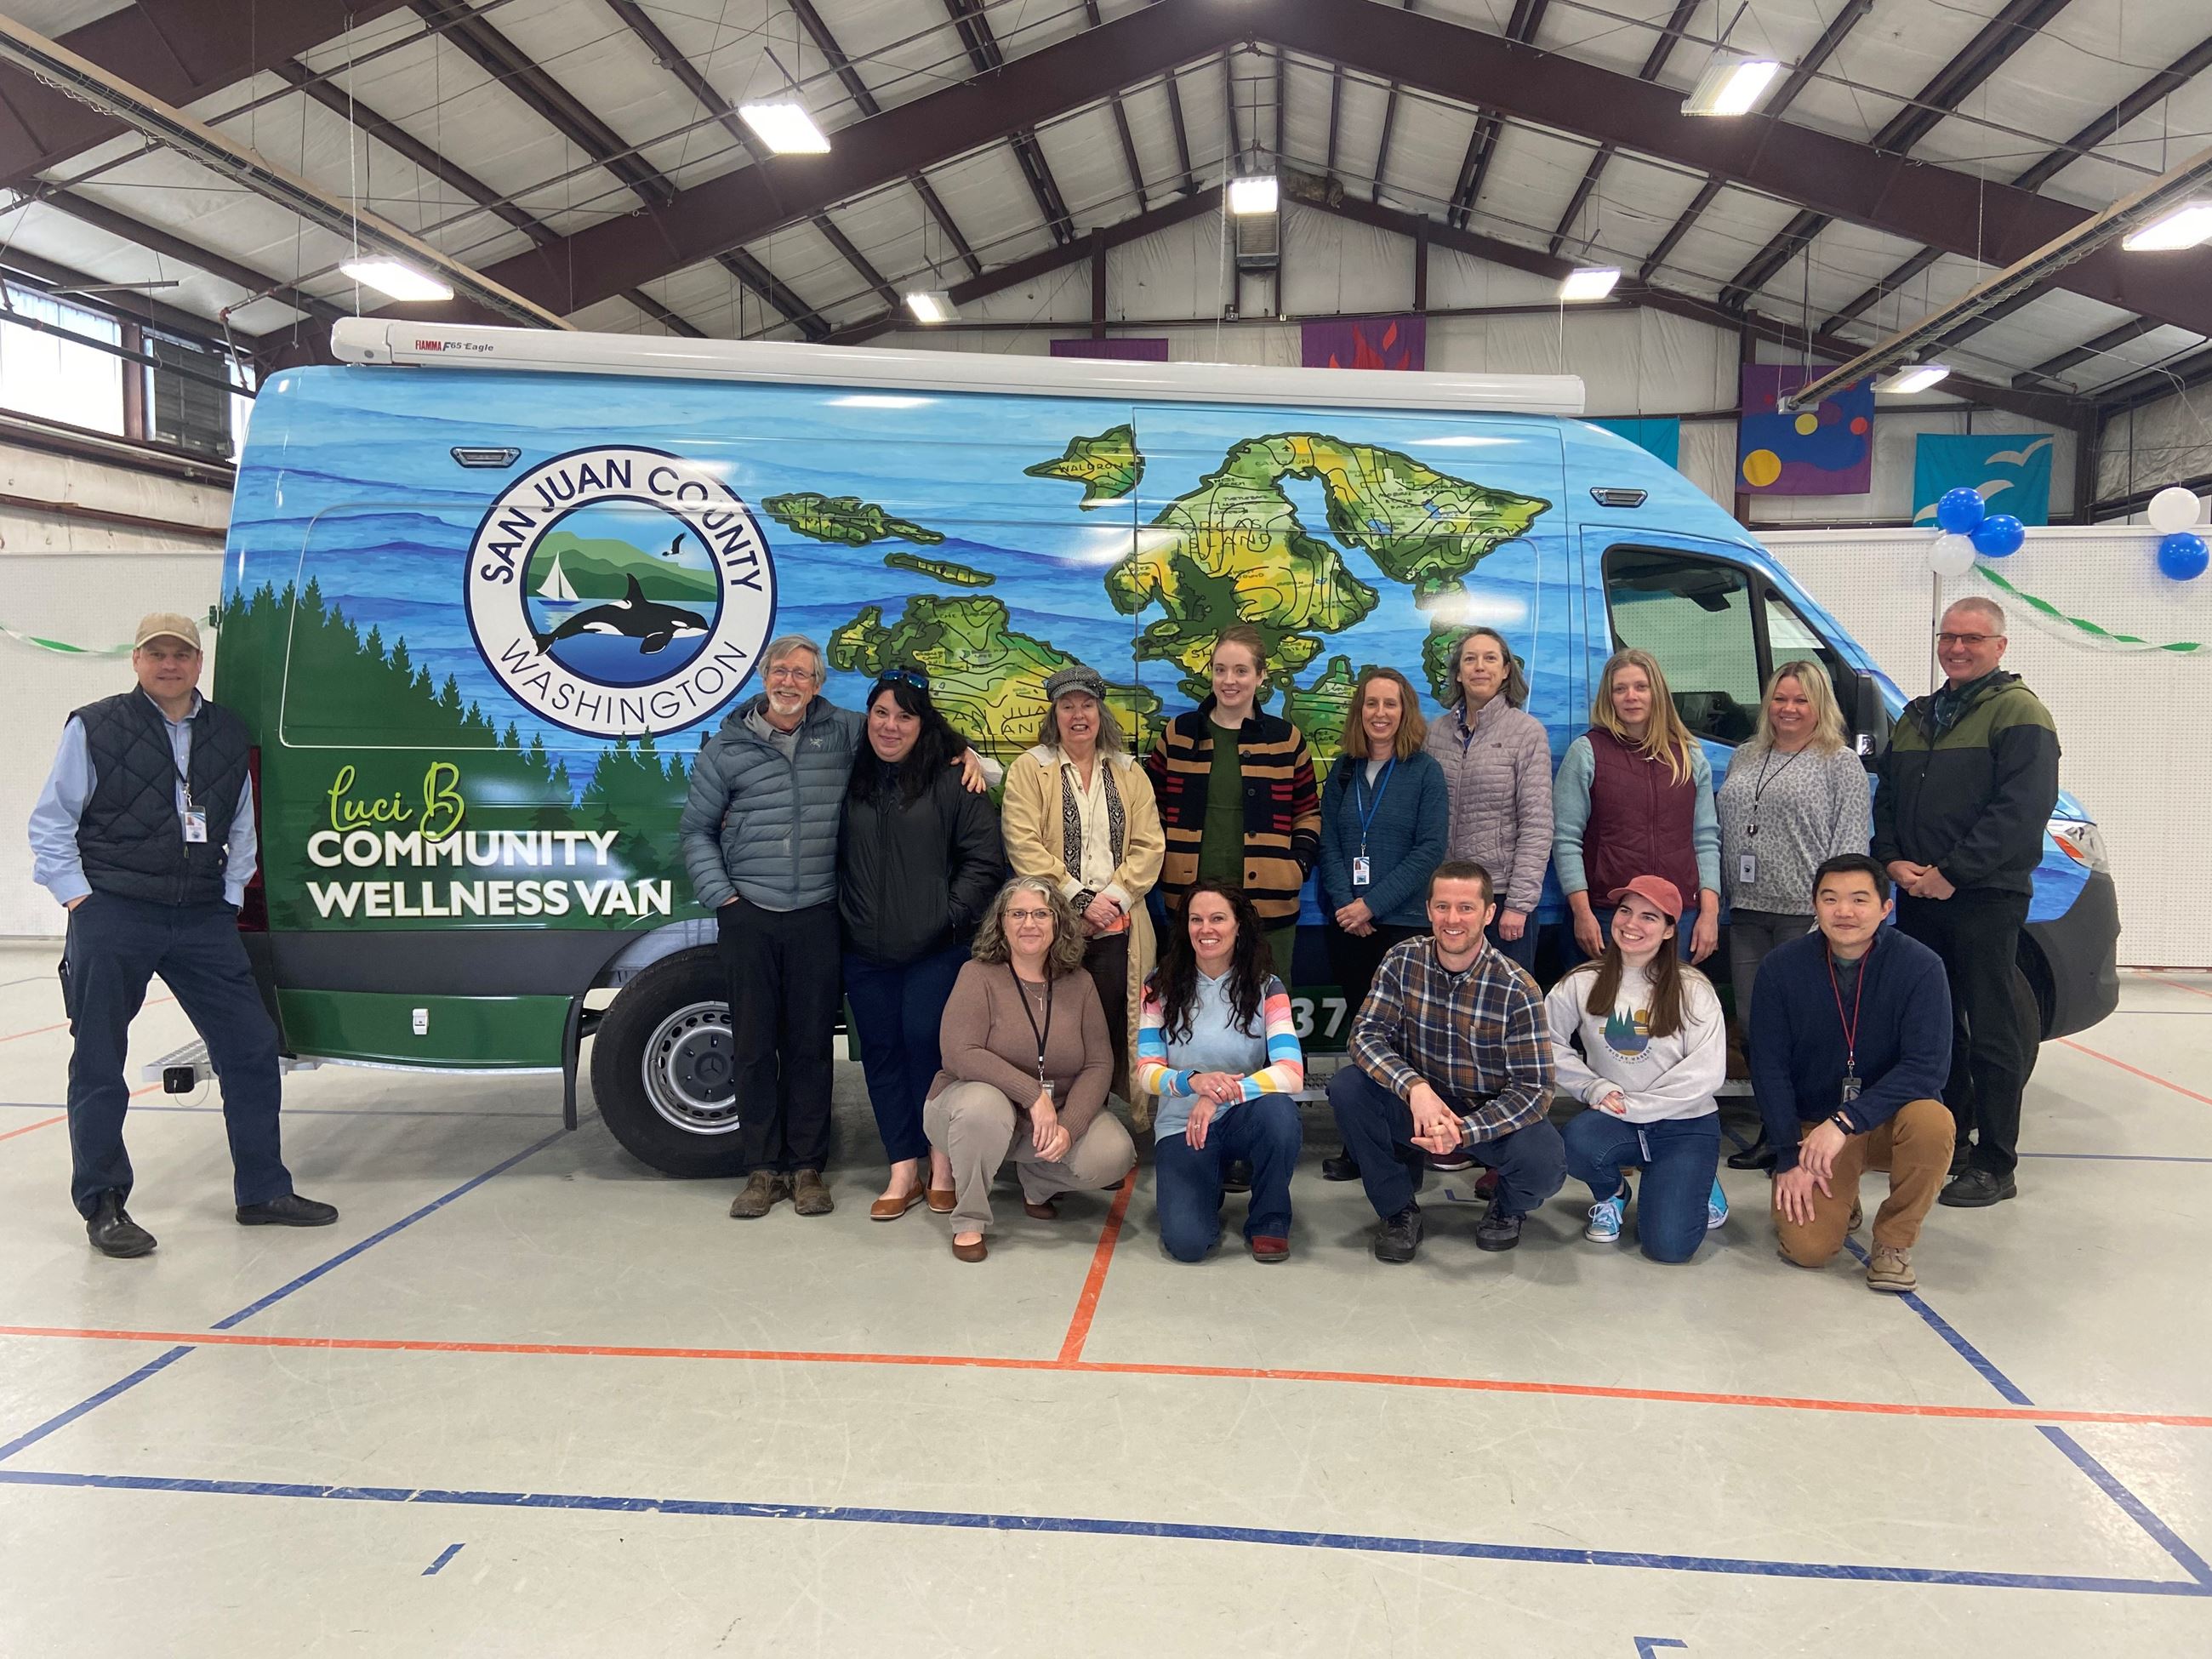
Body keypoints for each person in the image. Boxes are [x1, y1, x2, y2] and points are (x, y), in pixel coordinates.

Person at [27, 612, 337, 1257]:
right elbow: (51, 821)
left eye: (182, 654)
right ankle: (105, 1203)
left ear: (199, 663)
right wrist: (79, 900)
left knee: (251, 1047)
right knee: (99, 1059)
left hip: (200, 916)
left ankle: (261, 1190)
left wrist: (228, 896)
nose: (170, 665)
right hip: (113, 911)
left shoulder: (226, 731)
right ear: (136, 661)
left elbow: (241, 821)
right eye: (156, 654)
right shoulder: (94, 725)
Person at [679, 636, 990, 1222]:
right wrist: (722, 895)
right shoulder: (728, 747)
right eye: (780, 670)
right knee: (754, 1045)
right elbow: (696, 829)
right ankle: (763, 1169)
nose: (789, 682)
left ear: (818, 684)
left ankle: (808, 1168)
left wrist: (970, 755)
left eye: (802, 673)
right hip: (755, 917)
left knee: (812, 1047)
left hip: (822, 919)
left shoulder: (842, 732)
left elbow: (916, 729)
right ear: (763, 675)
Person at [1873, 597, 2059, 1210]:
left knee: (1993, 1028)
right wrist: (1893, 857)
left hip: (1984, 898)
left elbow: (2020, 811)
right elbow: (1890, 797)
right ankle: (1947, 1137)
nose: (1957, 647)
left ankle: (1997, 1161)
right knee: (1937, 1024)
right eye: (1949, 636)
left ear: (2000, 646)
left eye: (1972, 639)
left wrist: (1953, 873)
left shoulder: (2020, 713)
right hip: (1921, 895)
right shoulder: (1917, 716)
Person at [1327, 860, 1563, 1260]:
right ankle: (1398, 1209)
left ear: (1489, 913)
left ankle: (1508, 1207)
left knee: (1546, 1162)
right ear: (1428, 909)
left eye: (1466, 908)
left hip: (1485, 1116)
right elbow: (1365, 1036)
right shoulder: (1403, 960)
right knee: (1348, 1087)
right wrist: (1414, 1088)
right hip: (1419, 1105)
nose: (1453, 919)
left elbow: (1535, 1089)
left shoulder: (1517, 988)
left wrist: (1465, 1131)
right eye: (1442, 907)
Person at [838, 672, 1005, 1222]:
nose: (890, 726)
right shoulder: (850, 774)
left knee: (930, 1054)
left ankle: (942, 1167)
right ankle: (902, 1169)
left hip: (937, 950)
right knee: (882, 1053)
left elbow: (985, 860)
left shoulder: (956, 779)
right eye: (881, 713)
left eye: (905, 716)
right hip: (864, 949)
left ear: (922, 723)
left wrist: (945, 917)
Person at [1754, 854, 1954, 1292]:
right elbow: (1769, 1068)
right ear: (1815, 905)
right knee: (1808, 1251)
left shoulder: (1921, 968)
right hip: (1814, 1135)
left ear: (1886, 908)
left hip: (1883, 1121)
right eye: (1831, 899)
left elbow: (1926, 1069)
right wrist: (1787, 1155)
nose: (1844, 911)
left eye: (1859, 899)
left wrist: (1846, 1121)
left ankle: (1894, 1242)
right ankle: (1843, 1203)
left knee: (1933, 1122)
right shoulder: (1780, 969)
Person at [925, 876, 1136, 1262]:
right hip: (972, 1109)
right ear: (1001, 923)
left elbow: (1098, 1064)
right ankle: (970, 1218)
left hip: (1050, 1117)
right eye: (1018, 913)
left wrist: (1069, 1127)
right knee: (983, 1107)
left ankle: (1037, 1180)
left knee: (1115, 1154)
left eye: (1041, 914)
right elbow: (959, 1052)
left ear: (1058, 923)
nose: (1029, 924)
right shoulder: (977, 974)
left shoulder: (1081, 982)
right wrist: (1032, 1094)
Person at [1717, 660, 1873, 1172]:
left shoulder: (1839, 762)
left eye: (1801, 700)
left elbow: (1851, 845)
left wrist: (1831, 916)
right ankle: (1772, 1127)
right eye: (1780, 699)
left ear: (1820, 705)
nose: (1788, 708)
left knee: (1801, 1030)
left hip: (1802, 917)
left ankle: (1804, 1134)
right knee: (1754, 1028)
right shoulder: (1746, 755)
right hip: (1747, 912)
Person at [1000, 664, 1164, 1107]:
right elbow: (1024, 847)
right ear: (1053, 715)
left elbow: (1150, 846)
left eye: (1087, 705)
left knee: (1110, 1030)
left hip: (1117, 930)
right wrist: (1081, 901)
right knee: (1056, 1033)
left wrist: (1112, 901)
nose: (1078, 715)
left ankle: (1103, 1132)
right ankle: (1051, 1129)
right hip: (1052, 931)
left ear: (1100, 712)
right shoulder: (1029, 770)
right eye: (1067, 706)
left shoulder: (1130, 772)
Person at [1548, 875, 1730, 1263]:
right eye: (1625, 911)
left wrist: (1638, 1107)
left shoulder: (1693, 989)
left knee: (1668, 1249)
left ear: (1668, 930)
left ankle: (1699, 1178)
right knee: (1576, 1142)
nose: (1632, 924)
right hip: (1617, 1119)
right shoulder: (1583, 982)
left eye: (1649, 917)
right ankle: (1612, 1194)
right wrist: (1591, 1087)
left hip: (1684, 1125)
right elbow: (1543, 1042)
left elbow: (1707, 1073)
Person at [1316, 666, 1446, 1185]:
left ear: (1405, 710)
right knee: (1362, 1035)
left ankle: (1405, 1146)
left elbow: (1430, 850)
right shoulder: (1345, 770)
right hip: (1348, 927)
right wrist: (1348, 904)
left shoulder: (1425, 772)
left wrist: (1373, 905)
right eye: (1371, 703)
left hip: (1404, 928)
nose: (1379, 713)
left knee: (1404, 1041)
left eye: (1390, 704)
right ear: (1359, 711)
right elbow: (1329, 841)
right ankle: (1360, 1144)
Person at [1135, 881, 1305, 1263]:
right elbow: (1146, 1072)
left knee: (1279, 1114)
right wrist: (1192, 1081)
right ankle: (1207, 1183)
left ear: (1238, 926)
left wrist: (1219, 1094)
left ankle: (1269, 1220)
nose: (1206, 929)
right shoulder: (1157, 986)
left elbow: (1291, 1073)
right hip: (1183, 1126)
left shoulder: (1267, 987)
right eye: (1196, 919)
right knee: (1188, 1245)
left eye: (1217, 919)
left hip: (1245, 1116)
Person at [1145, 624, 1322, 980]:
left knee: (1269, 1015)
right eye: (1220, 669)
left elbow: (1307, 811)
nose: (1229, 680)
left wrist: (1297, 865)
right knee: (1187, 1007)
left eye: (1241, 671)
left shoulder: (1286, 739)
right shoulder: (1178, 735)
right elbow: (1151, 810)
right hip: (1189, 909)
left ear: (1261, 676)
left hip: (1269, 909)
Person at [1554, 647, 1720, 967]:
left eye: (1641, 687)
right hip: (1607, 913)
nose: (1631, 696)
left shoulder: (1689, 757)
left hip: (1677, 915)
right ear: (1609, 697)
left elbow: (1705, 839)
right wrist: (1582, 912)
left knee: (1668, 1013)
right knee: (1604, 1014)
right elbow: (1566, 839)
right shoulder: (1587, 753)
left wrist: (1709, 913)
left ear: (1656, 692)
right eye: (1620, 689)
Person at [1424, 626, 1552, 973]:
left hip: (1501, 899)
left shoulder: (1527, 734)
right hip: (1448, 899)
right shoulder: (1435, 735)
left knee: (1503, 1009)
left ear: (1506, 669)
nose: (1480, 666)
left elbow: (1537, 825)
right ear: (1459, 673)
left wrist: (1519, 905)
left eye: (1490, 658)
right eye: (1470, 659)